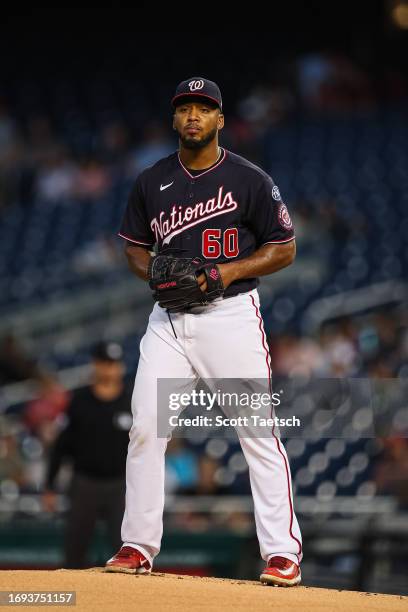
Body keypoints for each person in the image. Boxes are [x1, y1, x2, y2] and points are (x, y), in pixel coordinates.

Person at [105, 78, 302, 586]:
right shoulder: (152, 180)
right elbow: (131, 245)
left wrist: (228, 271)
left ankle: (282, 553)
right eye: (185, 108)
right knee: (146, 427)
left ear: (219, 119)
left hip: (229, 316)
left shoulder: (249, 179)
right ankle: (137, 545)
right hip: (168, 320)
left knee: (258, 433)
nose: (193, 115)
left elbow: (284, 247)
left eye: (204, 108)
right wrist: (151, 271)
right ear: (174, 120)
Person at [43, 341, 132, 568]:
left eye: (114, 364)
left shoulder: (133, 400)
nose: (110, 369)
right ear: (95, 365)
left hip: (120, 485)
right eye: (105, 363)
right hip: (84, 483)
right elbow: (61, 445)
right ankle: (75, 599)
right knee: (75, 547)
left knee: (124, 549)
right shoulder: (79, 400)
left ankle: (125, 600)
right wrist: (50, 484)